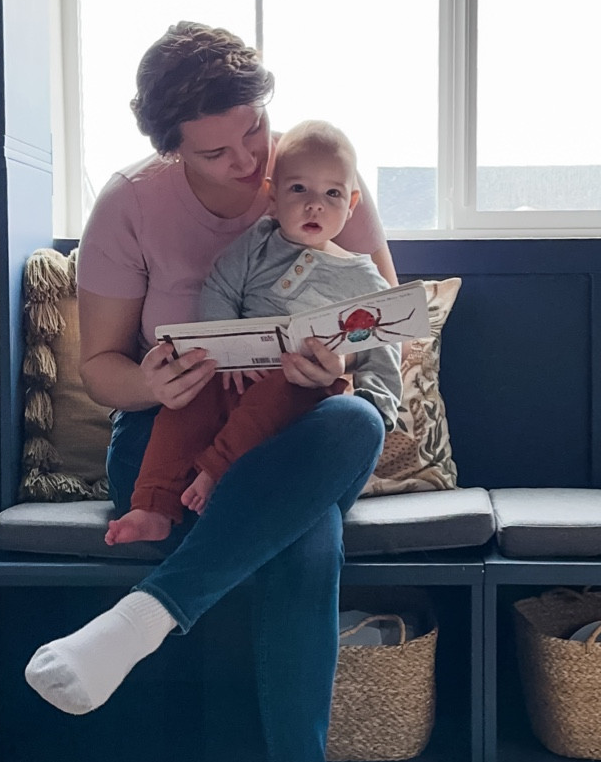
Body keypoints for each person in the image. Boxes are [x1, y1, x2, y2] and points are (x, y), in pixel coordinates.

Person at [24, 23, 396, 762]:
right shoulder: (130, 205)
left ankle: (142, 619)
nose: (248, 164)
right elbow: (99, 366)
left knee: (345, 424)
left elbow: (387, 327)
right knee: (304, 532)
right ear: (170, 147)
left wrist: (333, 366)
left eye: (253, 134)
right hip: (171, 441)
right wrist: (150, 376)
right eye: (216, 150)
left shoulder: (324, 173)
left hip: (304, 430)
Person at [105, 119, 400, 547]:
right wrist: (223, 352)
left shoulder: (364, 279)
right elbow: (221, 289)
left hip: (301, 395)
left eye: (332, 194)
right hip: (234, 375)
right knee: (184, 401)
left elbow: (383, 345)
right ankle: (151, 505)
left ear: (352, 204)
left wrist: (371, 403)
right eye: (299, 190)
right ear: (273, 198)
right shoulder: (255, 246)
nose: (315, 205)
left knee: (288, 388)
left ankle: (216, 473)